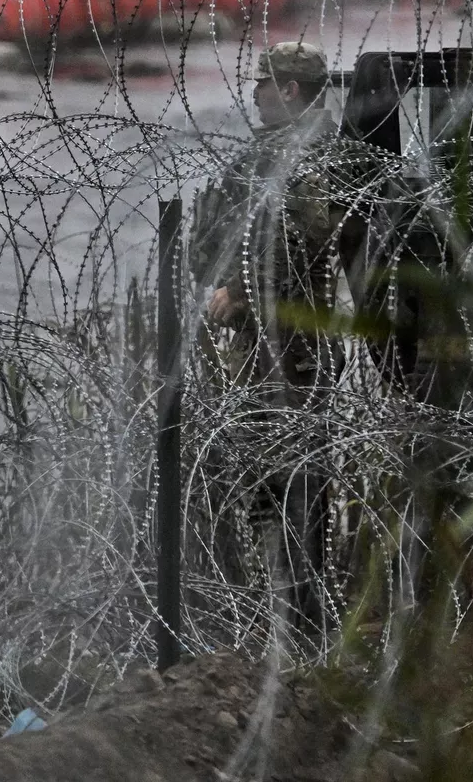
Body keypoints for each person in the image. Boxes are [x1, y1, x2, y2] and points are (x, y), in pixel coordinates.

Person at [192, 40, 349, 641]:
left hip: (284, 345)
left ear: (289, 89)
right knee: (279, 474)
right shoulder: (297, 150)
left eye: (264, 83)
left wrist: (238, 291)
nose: (255, 93)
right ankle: (290, 607)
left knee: (285, 473)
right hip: (282, 340)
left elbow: (294, 239)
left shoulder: (304, 154)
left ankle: (295, 614)